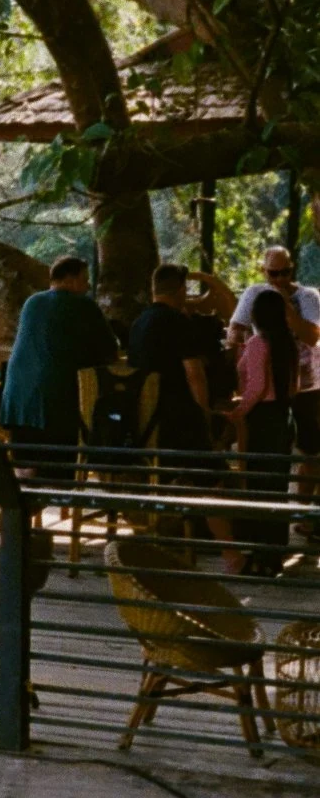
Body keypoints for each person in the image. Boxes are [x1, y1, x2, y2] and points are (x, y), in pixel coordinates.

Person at [127, 262, 238, 568]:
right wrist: (205, 414)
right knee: (213, 476)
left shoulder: (138, 324)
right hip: (178, 421)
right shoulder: (177, 322)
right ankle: (233, 554)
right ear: (179, 291)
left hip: (145, 423)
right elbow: (195, 375)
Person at [0, 254, 120, 482]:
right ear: (71, 279)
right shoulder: (83, 305)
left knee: (25, 467)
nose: (87, 287)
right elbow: (110, 352)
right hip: (55, 406)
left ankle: (19, 507)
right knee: (59, 469)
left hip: (18, 403)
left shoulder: (32, 302)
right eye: (84, 280)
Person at [227, 245, 319, 522]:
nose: (279, 279)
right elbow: (236, 329)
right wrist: (243, 366)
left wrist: (287, 309)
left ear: (293, 269)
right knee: (267, 456)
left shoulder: (308, 296)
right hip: (268, 388)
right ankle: (264, 516)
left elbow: (313, 337)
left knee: (311, 448)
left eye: (285, 272)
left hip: (307, 383)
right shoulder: (254, 294)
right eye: (273, 273)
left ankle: (301, 513)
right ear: (263, 271)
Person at [227, 286, 298, 577]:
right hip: (283, 416)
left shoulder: (258, 343)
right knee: (277, 485)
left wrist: (239, 411)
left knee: (259, 484)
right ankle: (275, 551)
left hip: (262, 418)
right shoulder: (287, 343)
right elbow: (293, 385)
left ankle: (260, 552)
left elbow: (255, 385)